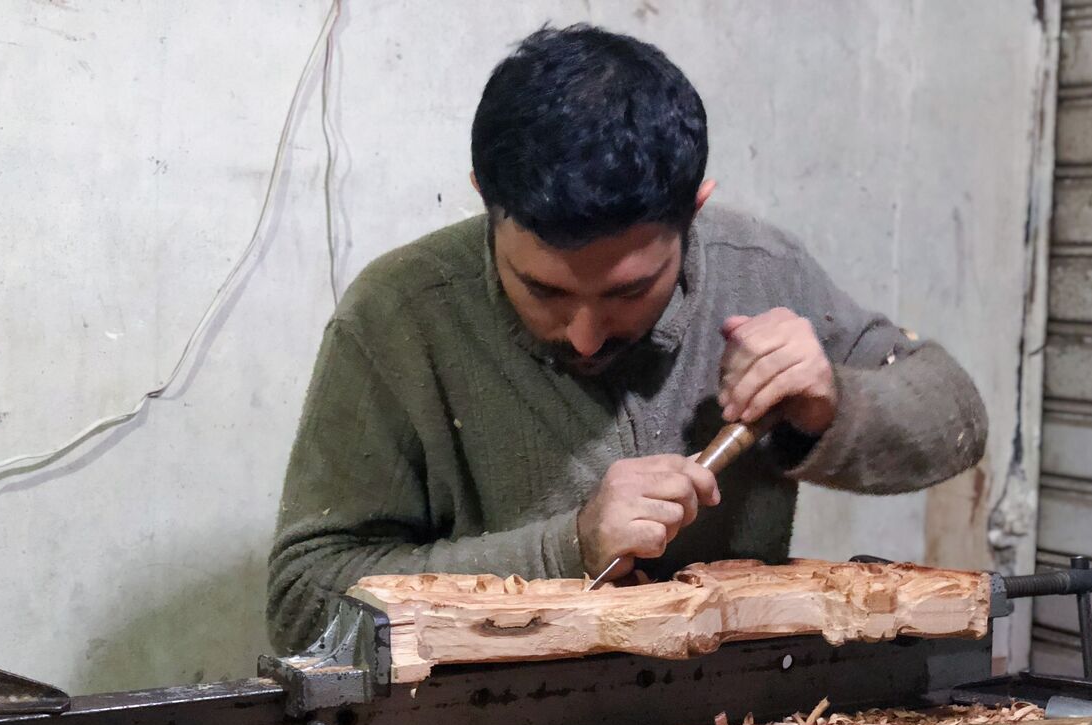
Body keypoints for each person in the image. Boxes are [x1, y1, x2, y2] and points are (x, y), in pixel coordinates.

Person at [268, 24, 987, 653]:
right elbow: (303, 601)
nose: (583, 337)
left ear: (693, 210)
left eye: (626, 292)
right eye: (543, 290)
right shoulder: (398, 314)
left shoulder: (759, 269)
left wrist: (831, 407)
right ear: (485, 198)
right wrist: (566, 547)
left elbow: (955, 416)